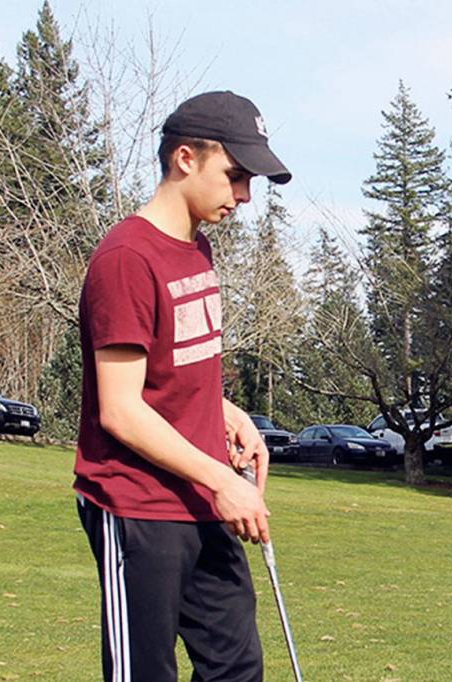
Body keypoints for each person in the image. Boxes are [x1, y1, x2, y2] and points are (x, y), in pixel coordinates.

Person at [73, 90, 292, 681]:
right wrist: (224, 480)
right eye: (236, 175)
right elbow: (120, 409)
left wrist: (226, 410)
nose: (244, 195)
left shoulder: (196, 250)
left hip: (199, 501)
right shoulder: (126, 259)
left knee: (236, 667)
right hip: (136, 502)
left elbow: (170, 373)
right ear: (186, 159)